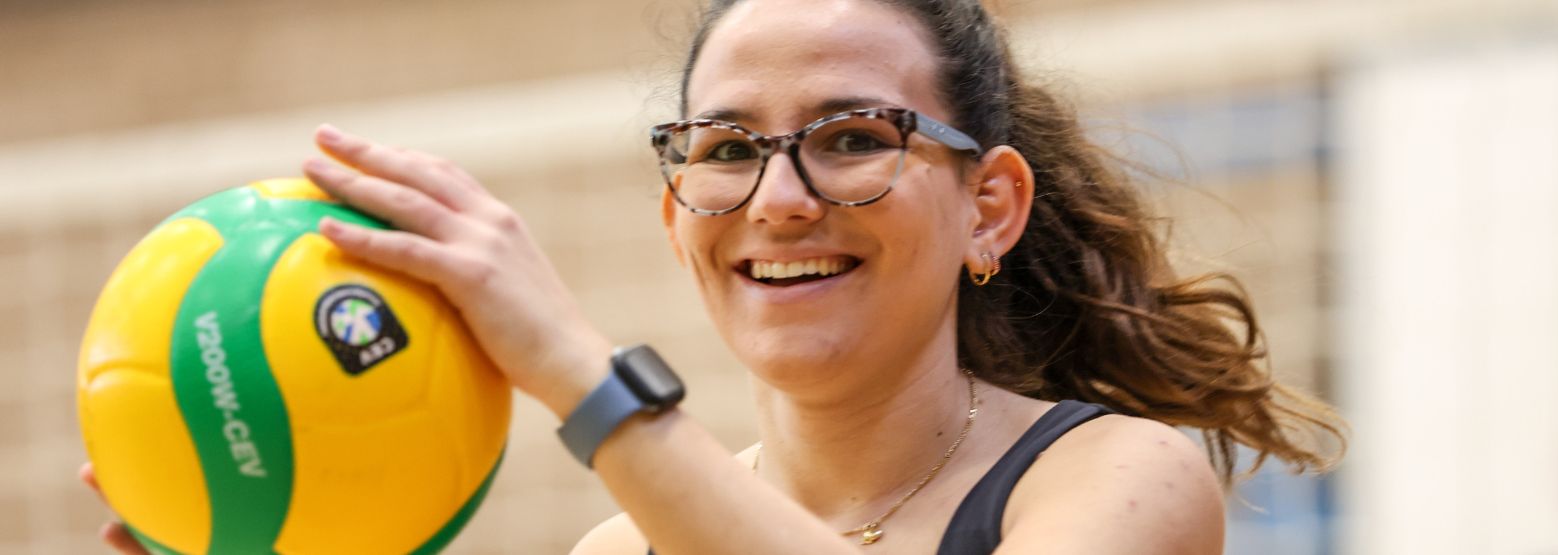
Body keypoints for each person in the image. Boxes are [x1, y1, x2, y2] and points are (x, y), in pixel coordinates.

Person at [83, 0, 1344, 552]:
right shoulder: (621, 545)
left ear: (988, 206)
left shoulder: (1116, 479)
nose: (777, 199)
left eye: (853, 137)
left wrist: (580, 377)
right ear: (677, 211)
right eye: (727, 149)